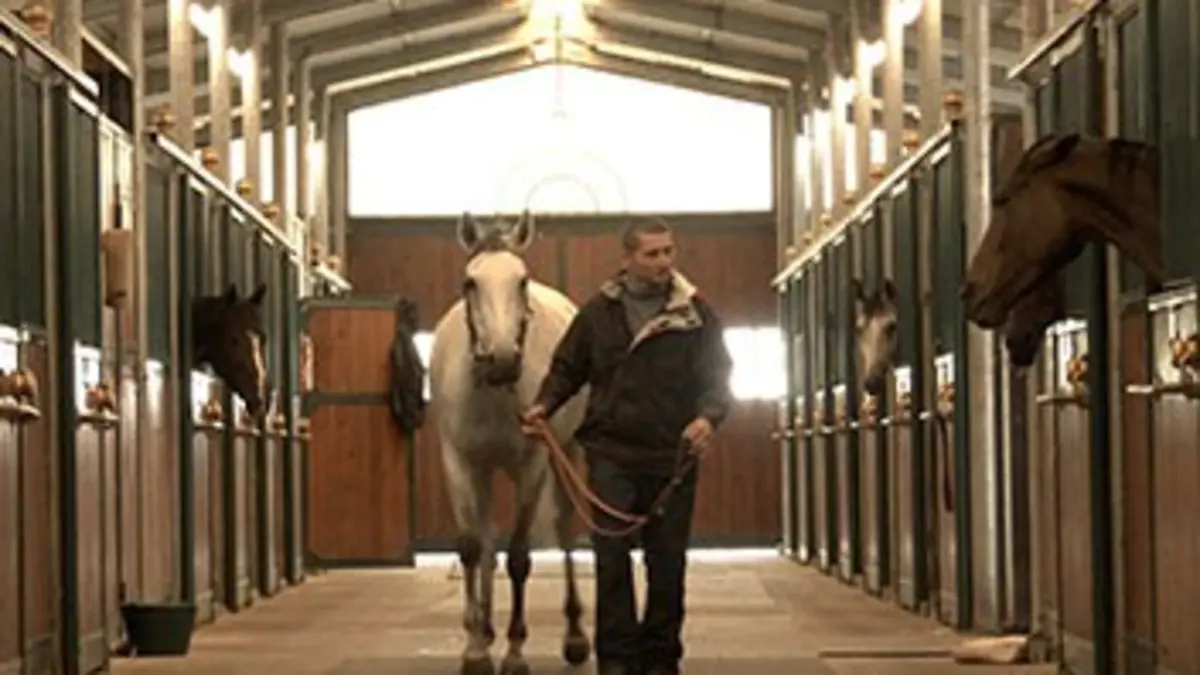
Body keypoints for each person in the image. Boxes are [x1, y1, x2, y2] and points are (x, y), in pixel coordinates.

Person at [521, 217, 734, 675]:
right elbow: (567, 367)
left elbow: (717, 375)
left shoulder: (695, 314)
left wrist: (708, 416)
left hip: (671, 455)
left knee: (667, 562)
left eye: (668, 252)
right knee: (611, 559)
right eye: (652, 254)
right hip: (612, 453)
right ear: (627, 258)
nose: (663, 262)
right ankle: (616, 660)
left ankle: (661, 659)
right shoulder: (598, 314)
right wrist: (543, 405)